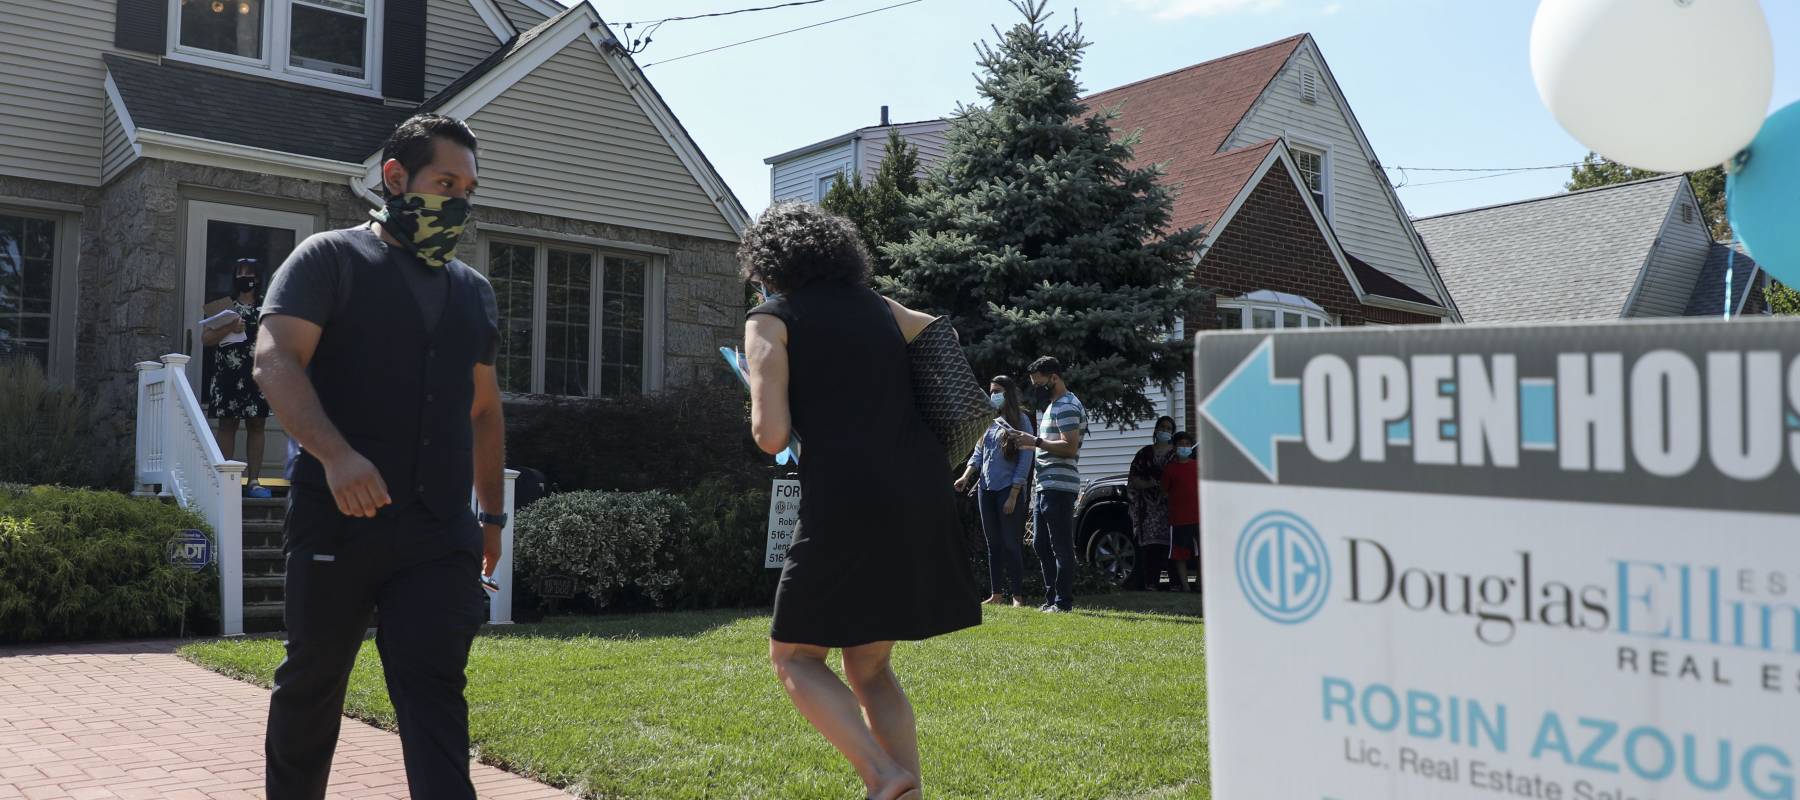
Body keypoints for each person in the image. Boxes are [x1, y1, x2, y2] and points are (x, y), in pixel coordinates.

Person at [253, 113, 506, 800]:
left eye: (468, 190)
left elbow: (483, 409)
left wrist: (492, 518)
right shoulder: (327, 261)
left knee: (434, 696)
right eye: (443, 183)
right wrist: (335, 455)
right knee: (313, 683)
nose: (457, 202)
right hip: (336, 518)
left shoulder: (474, 292)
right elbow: (274, 361)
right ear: (395, 178)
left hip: (436, 533)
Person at [742, 202, 979, 800]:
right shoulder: (882, 308)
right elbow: (933, 327)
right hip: (922, 487)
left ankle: (883, 775)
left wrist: (761, 383)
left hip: (849, 496)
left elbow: (770, 436)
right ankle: (908, 793)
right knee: (870, 667)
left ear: (768, 263)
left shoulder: (771, 319)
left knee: (793, 656)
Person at [1006, 356, 1086, 613]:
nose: (1037, 388)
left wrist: (1036, 441)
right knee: (1041, 543)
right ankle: (1052, 599)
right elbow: (1049, 444)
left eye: (1040, 383)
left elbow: (1069, 447)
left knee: (1061, 546)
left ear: (1054, 377)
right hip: (1044, 484)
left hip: (1060, 486)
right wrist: (1027, 442)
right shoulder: (1053, 405)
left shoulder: (1067, 406)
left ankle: (1063, 603)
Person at [954, 375, 1034, 607]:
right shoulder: (989, 421)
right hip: (986, 489)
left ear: (1007, 393)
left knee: (1011, 543)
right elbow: (979, 454)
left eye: (997, 391)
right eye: (991, 391)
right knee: (993, 544)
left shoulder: (1021, 421)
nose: (993, 396)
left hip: (1008, 489)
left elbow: (1026, 458)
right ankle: (996, 594)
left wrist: (1014, 494)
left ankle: (1017, 596)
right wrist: (966, 476)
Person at [205, 257, 275, 498]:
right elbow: (206, 339)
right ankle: (225, 482)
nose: (245, 278)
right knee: (227, 424)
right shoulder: (224, 306)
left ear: (257, 278)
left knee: (257, 423)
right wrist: (228, 328)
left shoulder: (268, 305)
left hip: (258, 373)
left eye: (250, 274)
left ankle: (254, 481)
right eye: (240, 273)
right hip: (227, 374)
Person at [1127, 416, 1177, 591]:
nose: (1165, 430)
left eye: (1169, 428)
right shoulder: (1145, 454)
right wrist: (1150, 484)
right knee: (1150, 547)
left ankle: (1175, 583)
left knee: (1171, 546)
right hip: (1147, 509)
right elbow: (1134, 479)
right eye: (1162, 427)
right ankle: (1150, 582)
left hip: (1171, 507)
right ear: (1156, 430)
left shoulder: (1176, 455)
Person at [1162, 431, 1201, 593]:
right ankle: (1185, 585)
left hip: (1199, 518)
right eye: (1181, 444)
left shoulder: (1198, 466)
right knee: (1180, 554)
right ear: (1175, 447)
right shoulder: (1170, 469)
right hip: (1178, 519)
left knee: (1201, 554)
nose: (1184, 447)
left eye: (1187, 444)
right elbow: (1164, 491)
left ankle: (1200, 584)